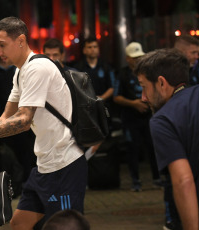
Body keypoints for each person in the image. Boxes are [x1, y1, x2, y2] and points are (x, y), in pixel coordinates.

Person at [0, 17, 87, 230]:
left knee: (66, 226)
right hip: (44, 164)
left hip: (65, 163)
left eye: (2, 45)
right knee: (20, 223)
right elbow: (6, 117)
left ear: (21, 40)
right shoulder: (21, 71)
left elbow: (23, 121)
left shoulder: (37, 68)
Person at [135, 48, 199, 230]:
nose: (143, 97)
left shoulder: (163, 120)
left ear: (162, 83)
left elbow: (183, 181)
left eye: (144, 86)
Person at [113, 42, 160, 192]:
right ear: (128, 58)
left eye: (140, 56)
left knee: (153, 147)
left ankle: (157, 178)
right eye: (134, 57)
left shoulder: (149, 72)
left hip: (148, 117)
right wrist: (133, 103)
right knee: (132, 149)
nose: (138, 60)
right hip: (130, 117)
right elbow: (116, 97)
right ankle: (135, 180)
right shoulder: (122, 74)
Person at [74, 36, 114, 101]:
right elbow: (76, 87)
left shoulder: (106, 67)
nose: (93, 49)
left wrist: (101, 98)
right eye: (89, 47)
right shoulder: (78, 68)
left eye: (95, 47)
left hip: (104, 104)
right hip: (85, 104)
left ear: (98, 49)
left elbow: (112, 87)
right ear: (84, 50)